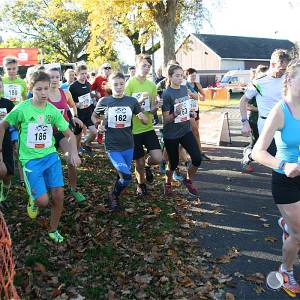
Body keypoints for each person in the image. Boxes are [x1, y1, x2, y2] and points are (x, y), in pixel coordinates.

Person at [0, 71, 81, 243]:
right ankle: (33, 199)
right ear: (30, 89)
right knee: (43, 201)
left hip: (50, 156)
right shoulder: (22, 108)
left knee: (59, 194)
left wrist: (73, 152)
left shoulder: (52, 110)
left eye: (46, 88)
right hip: (30, 161)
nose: (44, 93)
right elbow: (3, 125)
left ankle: (53, 229)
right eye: (39, 89)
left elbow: (70, 134)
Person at [252, 60, 300, 295]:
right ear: (289, 80)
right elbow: (257, 152)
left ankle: (286, 222)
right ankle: (286, 270)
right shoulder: (280, 111)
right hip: (286, 179)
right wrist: (284, 164)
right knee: (299, 234)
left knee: (295, 228)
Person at [92, 72, 147, 211]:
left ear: (125, 84)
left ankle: (115, 193)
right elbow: (94, 116)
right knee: (127, 176)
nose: (119, 87)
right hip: (113, 146)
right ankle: (113, 196)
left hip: (128, 145)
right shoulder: (104, 101)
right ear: (110, 85)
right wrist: (98, 125)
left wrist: (142, 117)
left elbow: (145, 121)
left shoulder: (131, 101)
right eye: (115, 84)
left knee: (122, 175)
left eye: (121, 84)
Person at [240, 49, 291, 167]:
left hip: (285, 122)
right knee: (272, 156)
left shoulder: (287, 78)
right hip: (266, 122)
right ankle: (250, 154)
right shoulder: (259, 82)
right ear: (273, 64)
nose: (284, 72)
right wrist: (244, 122)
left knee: (285, 155)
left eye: (286, 69)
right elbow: (243, 102)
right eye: (282, 69)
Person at [125, 54, 162, 196]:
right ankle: (141, 184)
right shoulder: (130, 84)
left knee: (157, 158)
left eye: (148, 66)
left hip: (148, 128)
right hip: (133, 130)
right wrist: (138, 101)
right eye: (144, 65)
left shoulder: (152, 85)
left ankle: (148, 165)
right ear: (137, 65)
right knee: (138, 163)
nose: (146, 69)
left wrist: (156, 106)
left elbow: (151, 110)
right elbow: (126, 106)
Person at [162, 64, 202, 196]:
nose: (180, 78)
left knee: (197, 159)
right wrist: (175, 114)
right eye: (177, 76)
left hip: (186, 130)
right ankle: (167, 182)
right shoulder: (167, 93)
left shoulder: (184, 89)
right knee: (173, 164)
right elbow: (165, 120)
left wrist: (191, 113)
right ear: (170, 77)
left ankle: (189, 181)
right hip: (171, 134)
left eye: (181, 76)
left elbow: (187, 107)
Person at [47, 68, 85, 202]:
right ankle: (45, 190)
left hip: (62, 132)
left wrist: (74, 117)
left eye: (57, 77)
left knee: (71, 159)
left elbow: (73, 106)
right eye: (51, 77)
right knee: (47, 162)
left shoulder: (65, 92)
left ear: (60, 78)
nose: (55, 80)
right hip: (46, 134)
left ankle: (73, 189)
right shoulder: (43, 93)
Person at [241, 65, 269, 172]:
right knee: (256, 143)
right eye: (264, 74)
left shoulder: (267, 86)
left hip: (266, 120)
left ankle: (260, 157)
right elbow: (246, 105)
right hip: (254, 120)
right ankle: (246, 159)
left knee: (266, 143)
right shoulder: (254, 86)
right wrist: (260, 110)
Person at [69, 64, 97, 156]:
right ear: (76, 75)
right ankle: (77, 152)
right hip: (78, 114)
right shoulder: (73, 86)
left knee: (94, 132)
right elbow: (69, 102)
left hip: (88, 113)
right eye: (81, 74)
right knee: (78, 135)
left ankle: (86, 143)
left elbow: (90, 96)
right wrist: (77, 104)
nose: (84, 75)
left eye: (85, 73)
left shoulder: (89, 84)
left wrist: (93, 98)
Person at [185, 67, 210, 161]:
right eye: (192, 76)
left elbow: (203, 96)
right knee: (188, 131)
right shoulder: (183, 84)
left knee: (196, 132)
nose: (193, 78)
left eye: (195, 76)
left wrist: (201, 96)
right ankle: (190, 152)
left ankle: (199, 152)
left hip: (195, 110)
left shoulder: (197, 84)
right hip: (185, 110)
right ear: (187, 75)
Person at [0, 76, 15, 202]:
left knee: (7, 172)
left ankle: (5, 189)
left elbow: (16, 122)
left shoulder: (7, 103)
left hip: (6, 140)